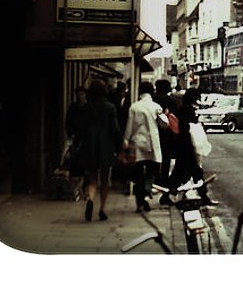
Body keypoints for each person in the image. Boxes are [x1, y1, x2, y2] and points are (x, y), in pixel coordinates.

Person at [76, 78, 122, 222]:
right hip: (105, 145)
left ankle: (90, 199)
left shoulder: (85, 107)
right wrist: (121, 143)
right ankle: (102, 209)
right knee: (104, 179)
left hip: (89, 145)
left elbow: (80, 129)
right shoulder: (110, 107)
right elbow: (115, 129)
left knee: (92, 178)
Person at [166, 88, 216, 205]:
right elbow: (188, 128)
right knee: (189, 172)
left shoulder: (183, 108)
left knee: (188, 171)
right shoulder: (187, 110)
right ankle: (203, 197)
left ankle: (203, 197)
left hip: (183, 145)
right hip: (187, 146)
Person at [123, 82, 163, 212]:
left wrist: (126, 139)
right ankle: (147, 190)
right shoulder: (156, 107)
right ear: (152, 92)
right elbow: (165, 125)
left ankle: (139, 201)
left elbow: (130, 126)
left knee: (138, 173)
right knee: (152, 170)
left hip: (137, 143)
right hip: (152, 143)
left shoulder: (134, 107)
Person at [153, 79, 179, 205]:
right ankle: (164, 189)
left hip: (153, 135)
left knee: (153, 161)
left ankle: (154, 183)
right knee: (166, 161)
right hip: (168, 136)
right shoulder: (171, 101)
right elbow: (175, 119)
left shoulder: (152, 99)